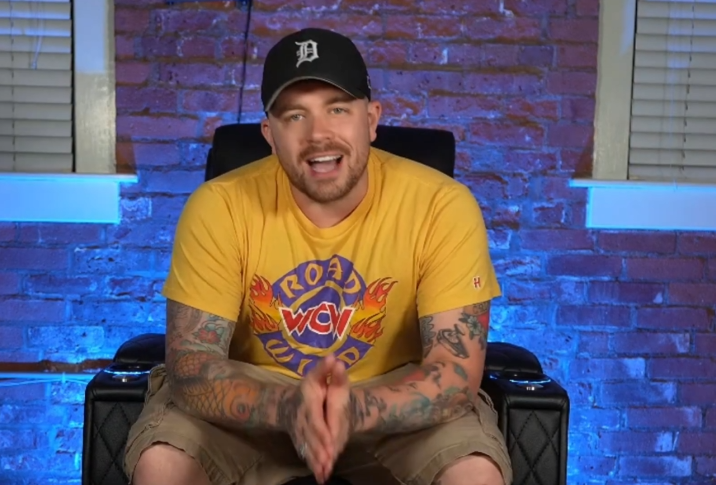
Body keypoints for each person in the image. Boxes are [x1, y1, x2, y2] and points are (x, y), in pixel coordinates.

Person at [123, 27, 511, 485]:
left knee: (474, 472)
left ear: (371, 120)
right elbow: (191, 364)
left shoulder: (441, 205)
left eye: (338, 109)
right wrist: (291, 407)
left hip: (395, 403)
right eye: (295, 116)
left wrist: (350, 409)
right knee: (163, 463)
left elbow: (454, 373)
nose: (318, 135)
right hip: (257, 403)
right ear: (269, 134)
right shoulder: (219, 205)